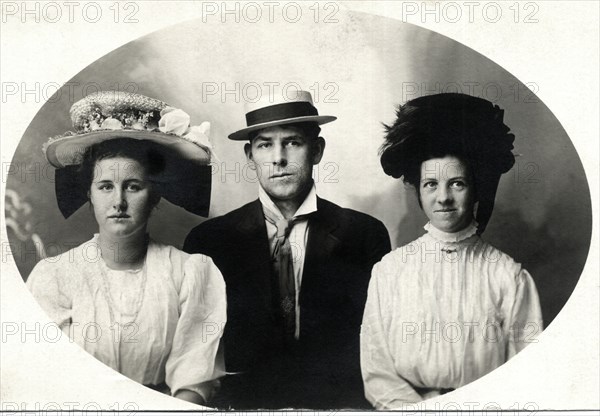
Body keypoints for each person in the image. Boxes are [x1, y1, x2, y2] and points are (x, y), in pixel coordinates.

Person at [184, 91, 391, 409]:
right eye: (265, 144)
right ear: (249, 154)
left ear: (317, 150)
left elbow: (380, 347)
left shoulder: (364, 235)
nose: (278, 158)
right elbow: (196, 357)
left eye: (293, 142)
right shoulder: (209, 242)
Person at [26, 91, 226, 405]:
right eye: (105, 186)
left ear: (156, 195)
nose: (118, 202)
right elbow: (46, 380)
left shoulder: (190, 273)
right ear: (89, 194)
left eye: (133, 186)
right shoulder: (54, 278)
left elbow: (194, 381)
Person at [360, 93, 544, 409]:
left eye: (456, 183)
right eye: (431, 184)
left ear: (475, 188)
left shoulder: (508, 276)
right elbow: (377, 371)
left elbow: (526, 371)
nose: (443, 197)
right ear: (418, 190)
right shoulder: (390, 271)